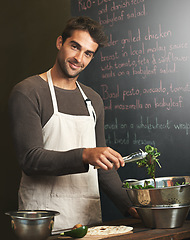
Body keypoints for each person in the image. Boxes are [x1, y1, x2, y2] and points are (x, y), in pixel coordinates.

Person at [9, 16, 138, 232]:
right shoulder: (28, 91)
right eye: (75, 46)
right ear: (60, 43)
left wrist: (131, 208)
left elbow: (103, 169)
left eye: (88, 53)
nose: (79, 58)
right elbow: (30, 159)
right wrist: (85, 155)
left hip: (87, 223)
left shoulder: (93, 100)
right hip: (42, 222)